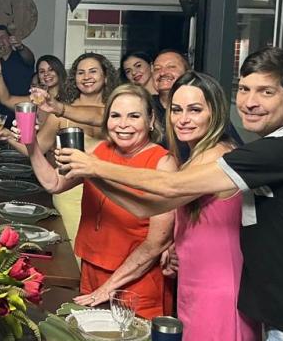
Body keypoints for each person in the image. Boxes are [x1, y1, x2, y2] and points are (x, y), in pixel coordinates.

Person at [56, 48, 283, 341]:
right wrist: (92, 174)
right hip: (255, 299)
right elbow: (150, 206)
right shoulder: (262, 147)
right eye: (244, 89)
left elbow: (170, 186)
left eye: (266, 92)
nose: (250, 102)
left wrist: (95, 166)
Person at [86, 71, 262, 341]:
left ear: (215, 112)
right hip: (194, 284)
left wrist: (95, 169)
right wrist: (177, 243)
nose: (183, 119)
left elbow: (150, 203)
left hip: (220, 292)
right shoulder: (197, 154)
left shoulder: (216, 155)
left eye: (195, 110)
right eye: (177, 110)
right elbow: (189, 216)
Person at [24, 83, 176, 319]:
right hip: (92, 269)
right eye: (115, 116)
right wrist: (31, 144)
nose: (123, 124)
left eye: (134, 116)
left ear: (151, 120)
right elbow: (54, 183)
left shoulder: (162, 162)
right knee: (88, 338)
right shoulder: (102, 151)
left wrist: (108, 288)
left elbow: (157, 242)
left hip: (136, 279)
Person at [1, 53, 118, 245]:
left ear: (106, 77)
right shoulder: (59, 113)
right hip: (69, 192)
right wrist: (12, 137)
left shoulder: (118, 112)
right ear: (74, 79)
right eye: (80, 72)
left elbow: (100, 116)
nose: (86, 77)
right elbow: (37, 148)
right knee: (74, 252)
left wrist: (60, 108)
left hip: (112, 196)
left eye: (93, 71)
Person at [0, 25, 34, 120]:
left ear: (10, 40)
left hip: (23, 113)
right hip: (0, 117)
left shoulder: (22, 58)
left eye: (2, 37)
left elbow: (30, 58)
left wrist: (20, 46)